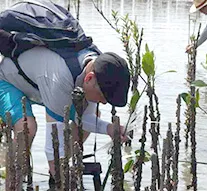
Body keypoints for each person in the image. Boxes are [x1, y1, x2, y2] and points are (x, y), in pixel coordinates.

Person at [0, 29, 130, 181]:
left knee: (91, 115)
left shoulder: (96, 65)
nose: (104, 102)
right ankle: (12, 187)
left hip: (37, 84)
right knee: (27, 127)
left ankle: (58, 170)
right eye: (102, 96)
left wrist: (109, 128)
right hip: (7, 80)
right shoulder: (60, 79)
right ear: (89, 78)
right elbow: (52, 145)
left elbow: (86, 119)